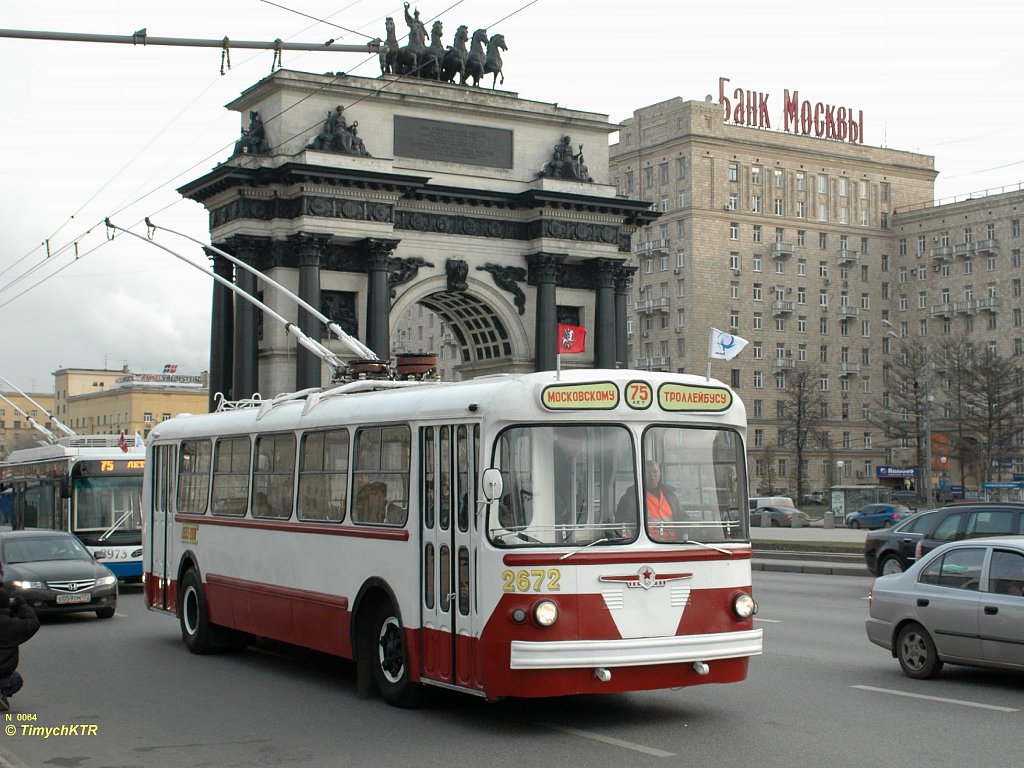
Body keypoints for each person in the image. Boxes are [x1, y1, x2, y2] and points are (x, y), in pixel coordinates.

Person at [0, 577, 40, 712]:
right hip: (3, 673)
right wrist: (22, 606)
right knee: (15, 679)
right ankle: (1, 693)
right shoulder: (12, 625)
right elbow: (32, 623)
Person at [617, 461, 681, 541]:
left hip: (674, 543)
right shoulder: (629, 499)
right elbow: (623, 526)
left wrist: (692, 524)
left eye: (655, 472)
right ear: (641, 474)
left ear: (660, 474)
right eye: (647, 472)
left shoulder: (670, 495)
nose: (652, 475)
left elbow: (681, 515)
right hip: (647, 544)